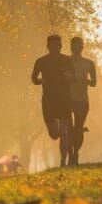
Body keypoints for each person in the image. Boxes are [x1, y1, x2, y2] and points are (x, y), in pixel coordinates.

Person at [31, 34, 74, 168]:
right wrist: (40, 80)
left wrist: (69, 77)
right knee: (54, 134)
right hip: (48, 101)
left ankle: (63, 160)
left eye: (59, 44)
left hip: (64, 100)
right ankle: (63, 154)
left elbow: (73, 76)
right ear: (48, 46)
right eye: (55, 45)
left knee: (64, 132)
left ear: (61, 45)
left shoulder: (67, 60)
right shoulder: (41, 61)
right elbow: (33, 78)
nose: (57, 47)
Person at [68, 36, 97, 166]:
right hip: (67, 99)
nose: (77, 49)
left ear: (82, 47)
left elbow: (94, 83)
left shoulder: (89, 63)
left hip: (82, 99)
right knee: (68, 129)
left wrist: (83, 80)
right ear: (71, 48)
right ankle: (71, 155)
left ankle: (75, 154)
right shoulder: (65, 61)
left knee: (78, 128)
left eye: (79, 47)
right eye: (75, 47)